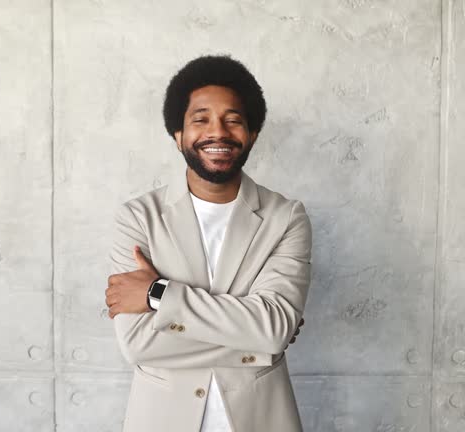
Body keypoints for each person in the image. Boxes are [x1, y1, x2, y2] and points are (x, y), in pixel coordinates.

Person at [105, 54, 313, 432]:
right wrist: (255, 338)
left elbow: (273, 329)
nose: (217, 132)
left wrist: (157, 296)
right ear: (178, 135)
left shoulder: (286, 217)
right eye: (200, 119)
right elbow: (137, 344)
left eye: (233, 120)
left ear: (251, 134)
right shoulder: (138, 218)